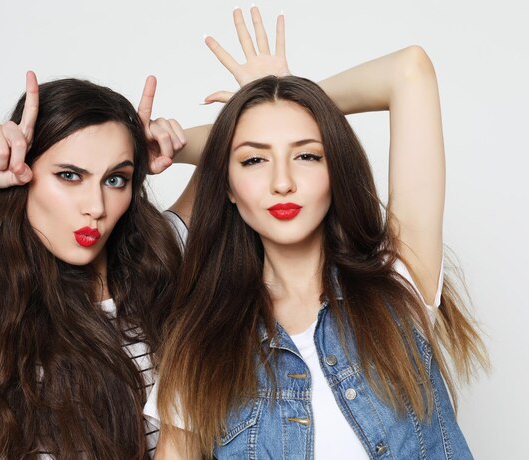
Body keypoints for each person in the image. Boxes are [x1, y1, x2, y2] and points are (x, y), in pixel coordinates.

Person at [151, 9, 488, 460]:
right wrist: (259, 110)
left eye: (307, 154)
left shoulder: (400, 280)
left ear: (336, 170)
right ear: (227, 187)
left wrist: (288, 101)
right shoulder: (199, 346)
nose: (283, 182)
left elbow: (409, 69)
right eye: (253, 160)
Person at [0, 73, 208, 459]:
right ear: (21, 173)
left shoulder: (164, 256)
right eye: (69, 175)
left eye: (116, 178)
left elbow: (242, 143)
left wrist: (169, 149)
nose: (95, 207)